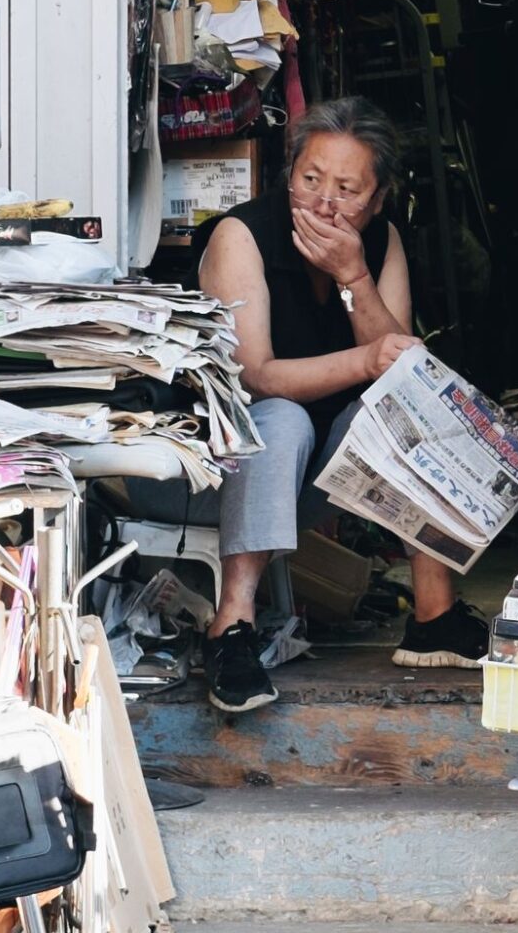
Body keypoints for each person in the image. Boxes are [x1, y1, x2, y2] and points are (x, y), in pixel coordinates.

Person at [197, 97, 491, 716]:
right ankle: (232, 628)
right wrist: (364, 362)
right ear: (289, 174)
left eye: (347, 189)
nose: (324, 203)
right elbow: (255, 376)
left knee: (409, 403)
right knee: (280, 417)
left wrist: (353, 277)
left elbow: (401, 367)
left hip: (321, 474)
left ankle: (434, 615)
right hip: (223, 471)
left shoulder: (380, 242)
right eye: (310, 180)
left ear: (377, 198)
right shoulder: (241, 236)